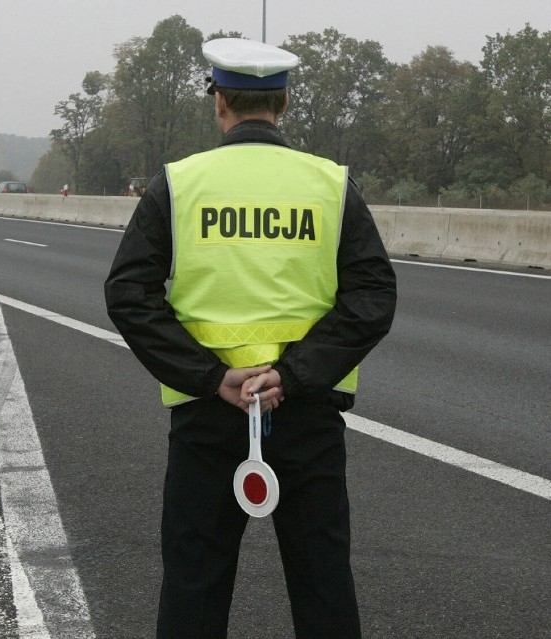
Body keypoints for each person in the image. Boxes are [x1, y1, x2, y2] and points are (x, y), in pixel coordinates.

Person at [104, 38, 397, 638]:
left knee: (194, 583)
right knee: (323, 585)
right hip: (307, 413)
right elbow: (372, 297)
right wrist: (294, 375)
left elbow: (129, 295)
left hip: (209, 416)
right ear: (283, 104)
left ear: (220, 104)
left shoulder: (179, 184)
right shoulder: (331, 185)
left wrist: (211, 378)